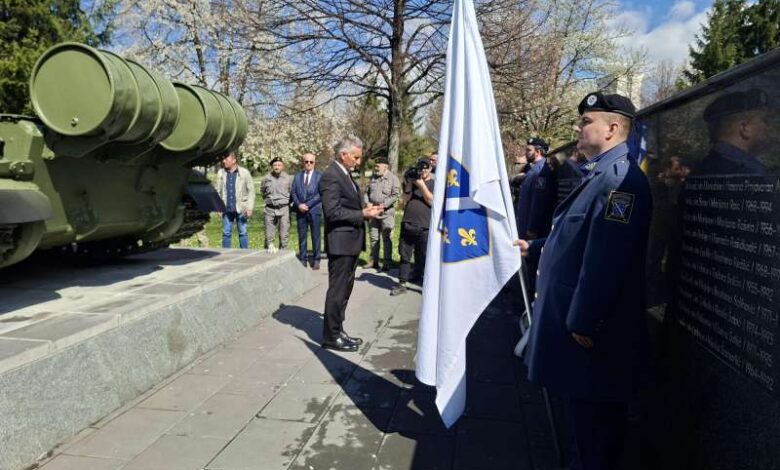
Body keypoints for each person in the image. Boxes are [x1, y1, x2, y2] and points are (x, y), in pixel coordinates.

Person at [516, 92, 652, 470]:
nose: (578, 128)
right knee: (581, 427)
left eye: (585, 121)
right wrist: (537, 246)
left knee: (594, 436)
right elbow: (579, 235)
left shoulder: (620, 181)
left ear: (612, 128)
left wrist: (583, 321)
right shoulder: (600, 175)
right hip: (580, 331)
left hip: (593, 338)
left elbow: (608, 257)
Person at [319, 136, 383, 352]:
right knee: (337, 291)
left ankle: (338, 329)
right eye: (355, 157)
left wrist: (367, 212)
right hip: (340, 242)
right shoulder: (331, 176)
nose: (358, 161)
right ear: (343, 154)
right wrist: (362, 214)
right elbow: (332, 211)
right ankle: (331, 336)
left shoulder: (345, 174)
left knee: (345, 290)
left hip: (350, 242)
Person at [515, 137, 558, 295]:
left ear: (538, 152)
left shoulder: (542, 172)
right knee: (528, 264)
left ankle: (532, 299)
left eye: (529, 150)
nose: (526, 153)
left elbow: (539, 203)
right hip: (526, 226)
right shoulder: (533, 170)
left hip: (534, 231)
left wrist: (532, 228)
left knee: (534, 266)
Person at [697, 89, 770, 175]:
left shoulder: (700, 169)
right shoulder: (753, 173)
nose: (767, 127)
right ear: (745, 128)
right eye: (764, 120)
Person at [390, 157, 434, 296]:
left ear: (431, 169)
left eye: (426, 167)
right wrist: (409, 183)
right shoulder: (412, 182)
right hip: (408, 223)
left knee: (423, 257)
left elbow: (432, 201)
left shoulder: (434, 183)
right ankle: (402, 284)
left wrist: (421, 185)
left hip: (425, 226)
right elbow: (404, 201)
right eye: (421, 168)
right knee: (405, 255)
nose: (423, 170)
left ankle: (423, 284)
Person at [363, 157, 400, 271]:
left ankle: (387, 263)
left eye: (378, 166)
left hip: (386, 212)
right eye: (375, 166)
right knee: (374, 237)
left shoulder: (393, 179)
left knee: (386, 238)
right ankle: (374, 261)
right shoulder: (373, 178)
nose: (376, 168)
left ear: (385, 167)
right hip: (373, 212)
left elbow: (396, 195)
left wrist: (383, 205)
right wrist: (368, 203)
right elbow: (366, 192)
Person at [215, 151, 255, 249]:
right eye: (223, 159)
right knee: (226, 233)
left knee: (243, 232)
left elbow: (251, 191)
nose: (223, 161)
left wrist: (249, 207)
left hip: (241, 208)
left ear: (234, 160)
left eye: (226, 159)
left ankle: (245, 254)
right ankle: (226, 255)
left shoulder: (244, 173)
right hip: (226, 208)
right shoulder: (221, 173)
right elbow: (217, 191)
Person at [292, 153, 323, 269]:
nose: (309, 164)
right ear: (303, 162)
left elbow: (320, 193)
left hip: (314, 210)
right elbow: (293, 193)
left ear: (314, 163)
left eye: (311, 162)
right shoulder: (297, 176)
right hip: (301, 211)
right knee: (302, 236)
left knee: (316, 236)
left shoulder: (320, 176)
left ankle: (316, 260)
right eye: (306, 162)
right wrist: (299, 204)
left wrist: (308, 205)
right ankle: (303, 259)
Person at [260, 157, 293, 252]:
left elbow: (292, 192)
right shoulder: (266, 178)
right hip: (270, 209)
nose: (277, 167)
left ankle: (283, 252)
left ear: (282, 166)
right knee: (269, 235)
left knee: (284, 235)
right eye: (275, 165)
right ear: (272, 166)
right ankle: (268, 254)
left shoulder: (288, 178)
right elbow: (263, 191)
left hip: (284, 209)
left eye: (279, 165)